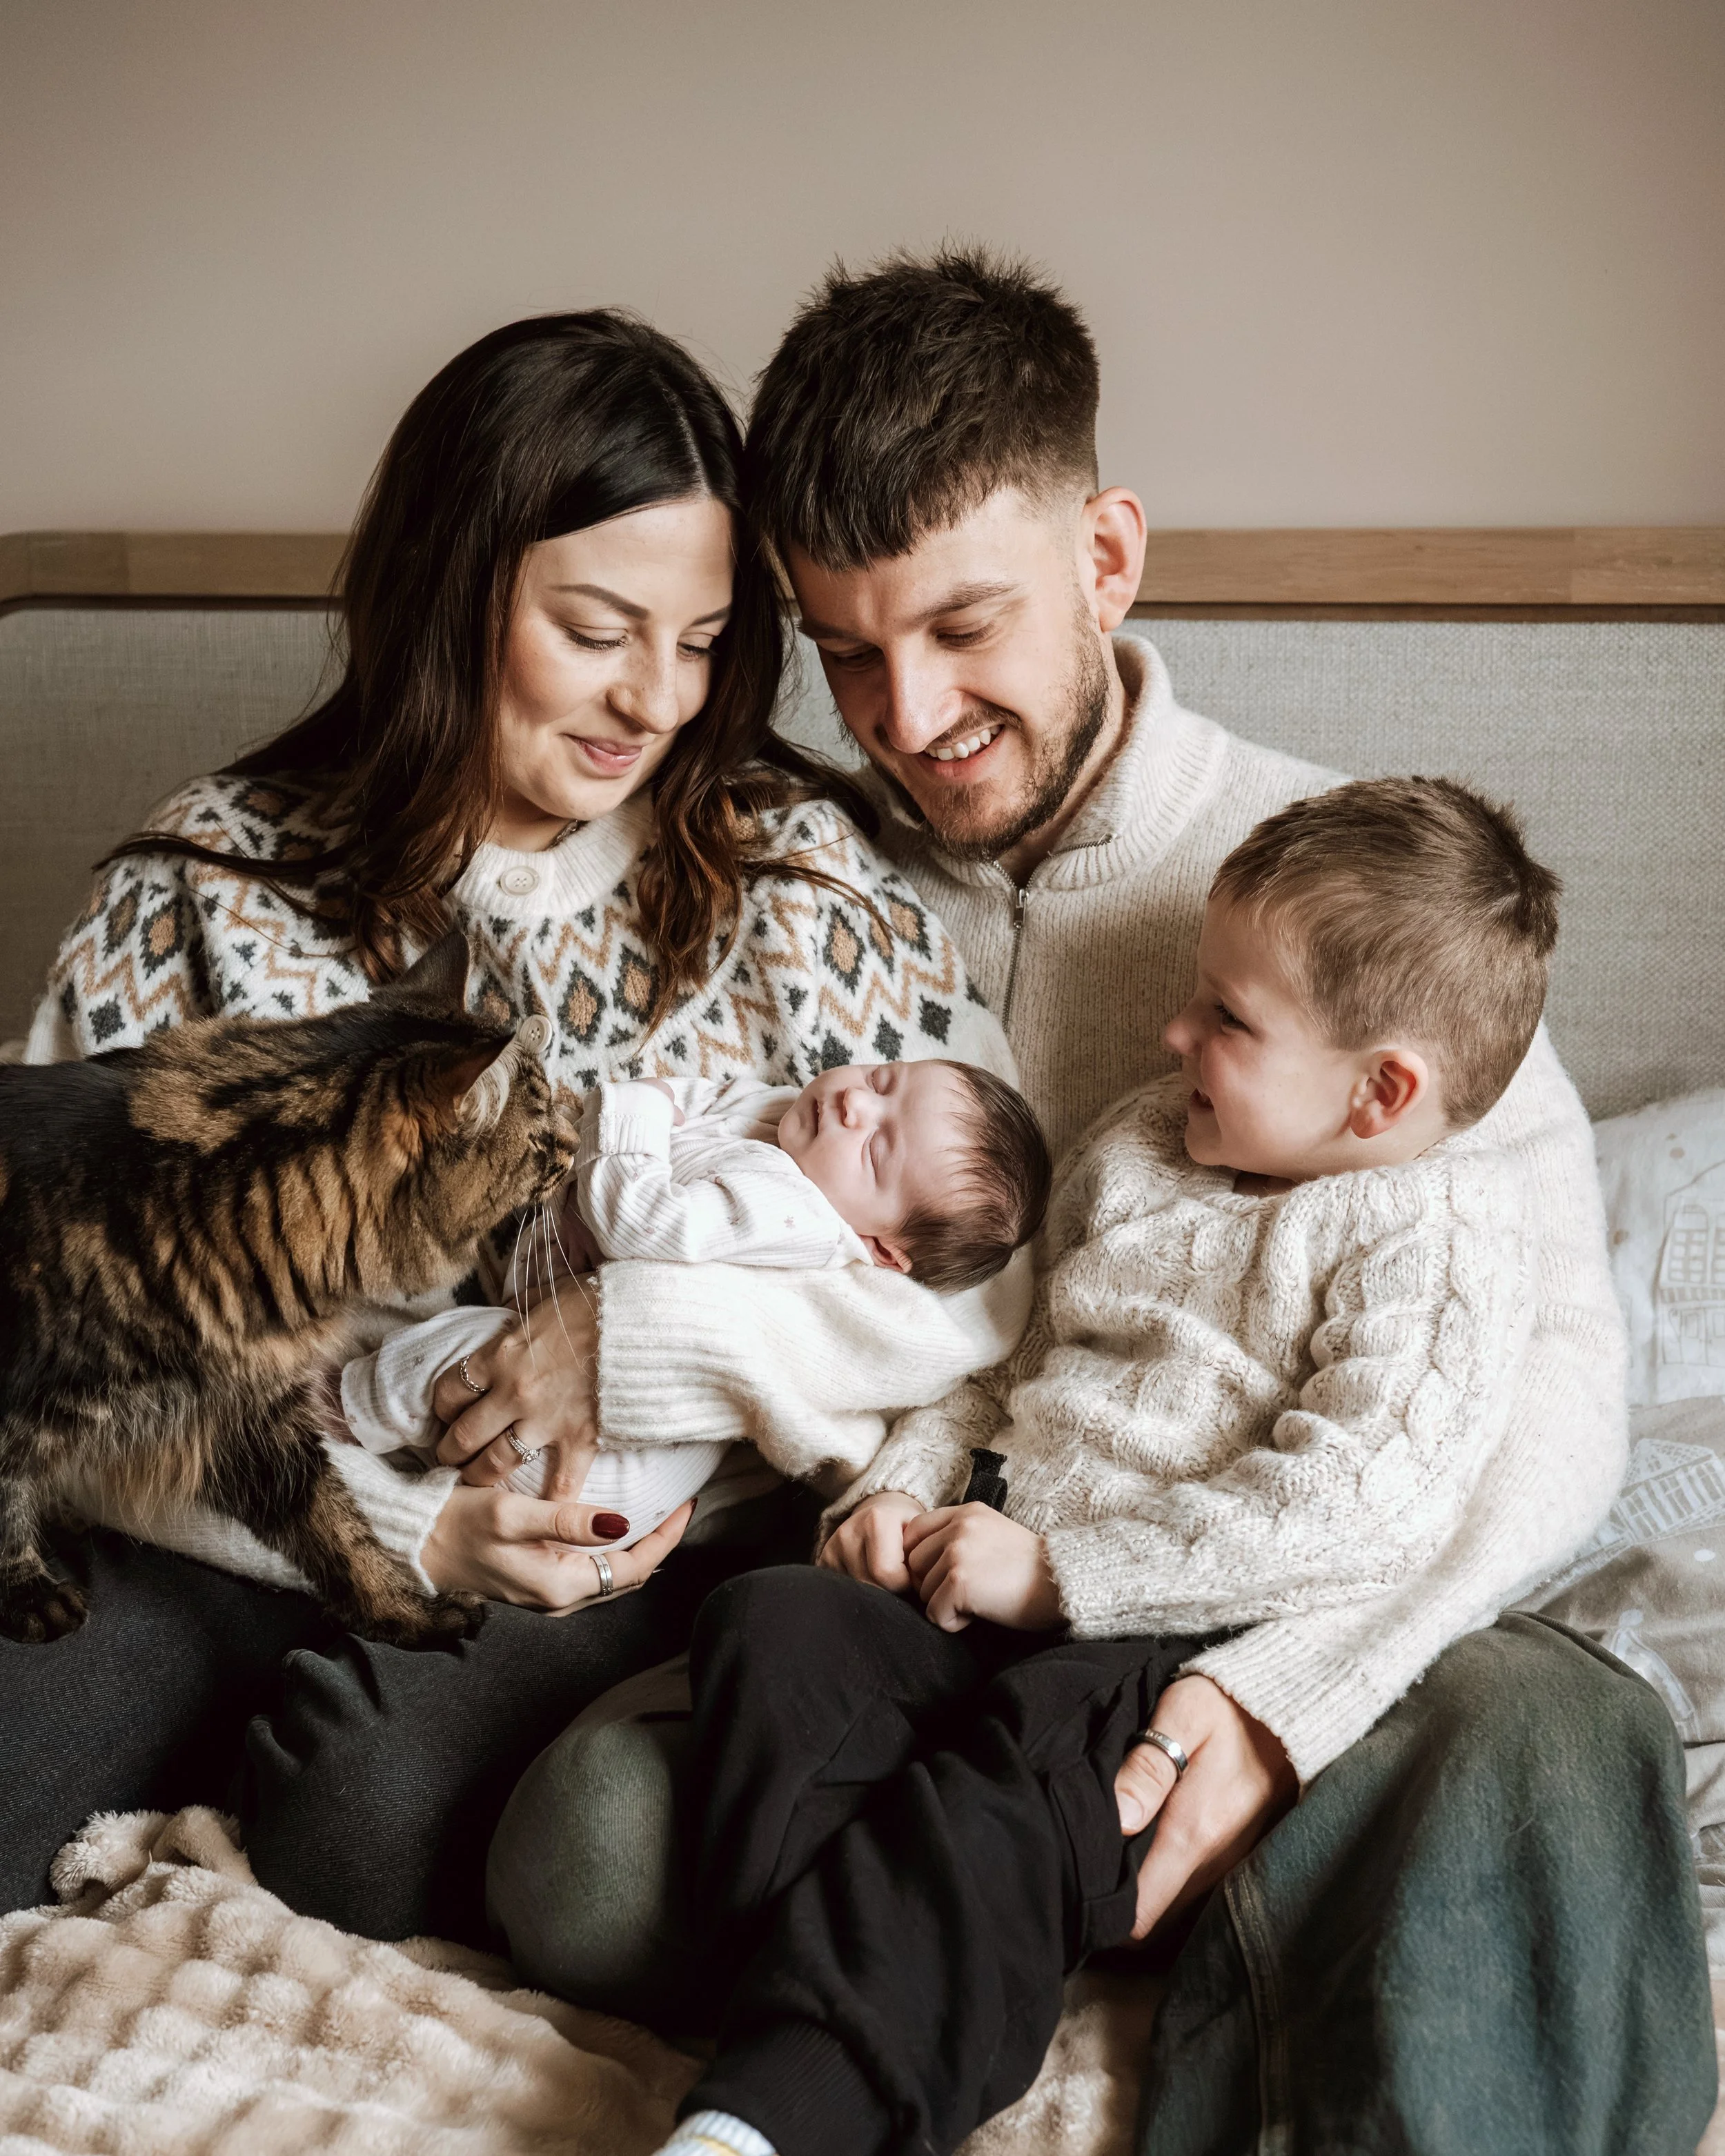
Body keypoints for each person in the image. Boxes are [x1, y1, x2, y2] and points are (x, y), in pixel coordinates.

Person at [518, 251, 1712, 2155]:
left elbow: (1542, 1409)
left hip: (1279, 1589)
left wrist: (1281, 1695)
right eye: (843, 649)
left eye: (963, 624)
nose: (906, 712)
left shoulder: (1345, 905)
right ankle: (932, 1981)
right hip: (952, 1574)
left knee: (1554, 1732)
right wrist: (887, 1497)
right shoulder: (795, 884)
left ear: (1106, 555)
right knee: (587, 1850)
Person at [1, 308, 1023, 1948]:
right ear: (451, 585)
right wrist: (413, 1532)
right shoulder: (201, 892)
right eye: (599, 627)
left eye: (701, 641)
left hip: (648, 1549)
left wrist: (644, 1338)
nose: (658, 698)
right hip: (241, 1525)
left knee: (369, 1816)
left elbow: (982, 1281)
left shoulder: (791, 874)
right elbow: (52, 1342)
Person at [338, 1056, 1052, 1543]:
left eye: (875, 1149)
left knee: (444, 1354)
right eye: (883, 1077)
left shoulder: (794, 1211)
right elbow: (699, 1100)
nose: (853, 1100)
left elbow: (641, 1220)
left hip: (617, 1464)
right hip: (559, 1406)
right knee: (453, 1383)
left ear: (881, 1250)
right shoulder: (785, 1120)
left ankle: (337, 1412)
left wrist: (628, 1108)